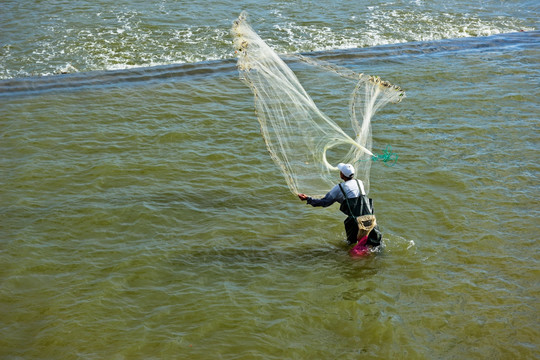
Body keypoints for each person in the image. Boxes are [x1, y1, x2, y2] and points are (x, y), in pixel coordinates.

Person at [297, 163, 381, 253]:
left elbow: (324, 202)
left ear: (342, 175)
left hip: (355, 222)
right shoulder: (359, 182)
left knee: (350, 245)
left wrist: (308, 199)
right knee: (375, 246)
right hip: (370, 219)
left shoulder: (339, 188)